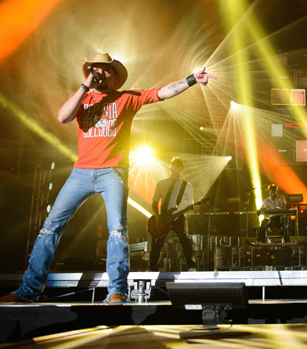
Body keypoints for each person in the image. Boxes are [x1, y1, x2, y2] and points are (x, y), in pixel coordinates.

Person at [0, 53, 216, 304]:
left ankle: (117, 290)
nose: (99, 73)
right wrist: (84, 88)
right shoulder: (83, 97)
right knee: (50, 227)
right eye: (95, 68)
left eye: (105, 69)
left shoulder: (126, 98)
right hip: (81, 172)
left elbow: (162, 92)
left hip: (113, 172)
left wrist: (191, 79)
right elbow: (63, 117)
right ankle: (29, 291)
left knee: (117, 230)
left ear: (114, 76)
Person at [149, 157, 198, 271]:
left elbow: (190, 204)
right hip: (163, 217)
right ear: (170, 167)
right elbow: (155, 202)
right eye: (174, 165)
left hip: (179, 216)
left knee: (185, 239)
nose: (177, 168)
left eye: (179, 166)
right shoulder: (161, 183)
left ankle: (191, 266)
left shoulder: (187, 185)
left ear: (182, 169)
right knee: (156, 242)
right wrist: (157, 216)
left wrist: (194, 207)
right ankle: (152, 267)